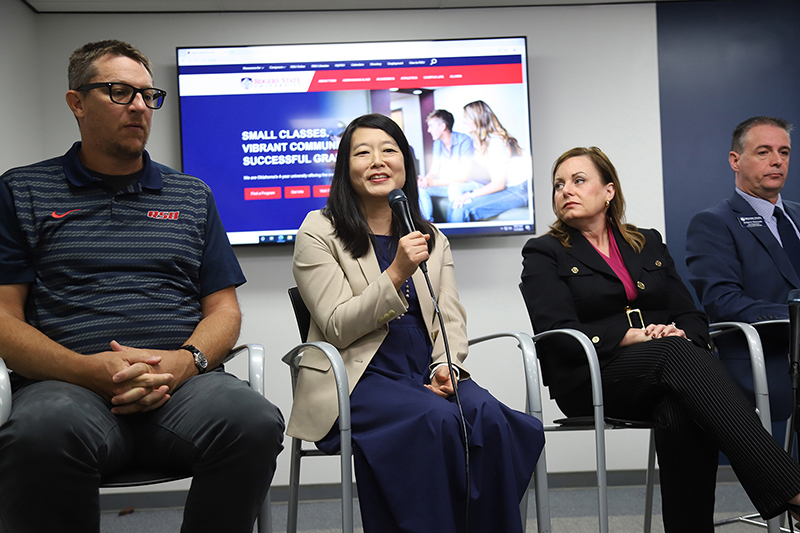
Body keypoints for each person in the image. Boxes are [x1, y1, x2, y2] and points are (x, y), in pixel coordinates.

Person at [0, 40, 284, 533]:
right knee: (37, 433)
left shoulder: (191, 195)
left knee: (254, 420)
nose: (138, 106)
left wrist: (183, 363)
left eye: (148, 95)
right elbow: (4, 318)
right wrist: (87, 371)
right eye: (118, 92)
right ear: (76, 103)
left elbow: (224, 312)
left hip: (181, 390)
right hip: (68, 390)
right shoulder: (22, 191)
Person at [520, 146, 800, 532]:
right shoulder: (543, 252)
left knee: (681, 408)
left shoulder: (646, 242)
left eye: (578, 180)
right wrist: (631, 336)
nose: (565, 190)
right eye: (558, 185)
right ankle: (793, 490)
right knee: (674, 355)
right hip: (590, 376)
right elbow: (557, 335)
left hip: (667, 371)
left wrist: (677, 330)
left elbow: (692, 316)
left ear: (609, 191)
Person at [289, 113, 544, 533]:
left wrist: (448, 366)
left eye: (389, 150)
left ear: (406, 164)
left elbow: (450, 316)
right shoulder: (319, 230)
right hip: (358, 376)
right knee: (436, 420)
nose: (377, 161)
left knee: (491, 419)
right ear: (344, 167)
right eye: (362, 152)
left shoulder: (431, 235)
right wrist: (396, 272)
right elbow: (336, 326)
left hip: (426, 368)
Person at [686, 116, 796, 421]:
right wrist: (796, 319)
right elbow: (723, 302)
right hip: (765, 361)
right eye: (764, 152)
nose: (777, 161)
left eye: (784, 152)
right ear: (736, 160)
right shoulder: (714, 223)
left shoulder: (798, 216)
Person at [448, 100, 530, 222]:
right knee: (455, 203)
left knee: (462, 208)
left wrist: (469, 194)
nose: (463, 121)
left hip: (519, 190)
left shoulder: (496, 143)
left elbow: (499, 184)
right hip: (510, 188)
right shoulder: (487, 142)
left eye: (466, 117)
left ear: (477, 119)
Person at [417, 109, 475, 221]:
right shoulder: (437, 143)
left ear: (443, 126)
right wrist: (426, 180)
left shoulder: (464, 141)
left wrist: (433, 182)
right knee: (421, 188)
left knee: (454, 188)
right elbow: (434, 171)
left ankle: (455, 230)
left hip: (466, 184)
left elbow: (464, 177)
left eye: (431, 126)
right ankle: (428, 224)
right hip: (447, 185)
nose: (429, 130)